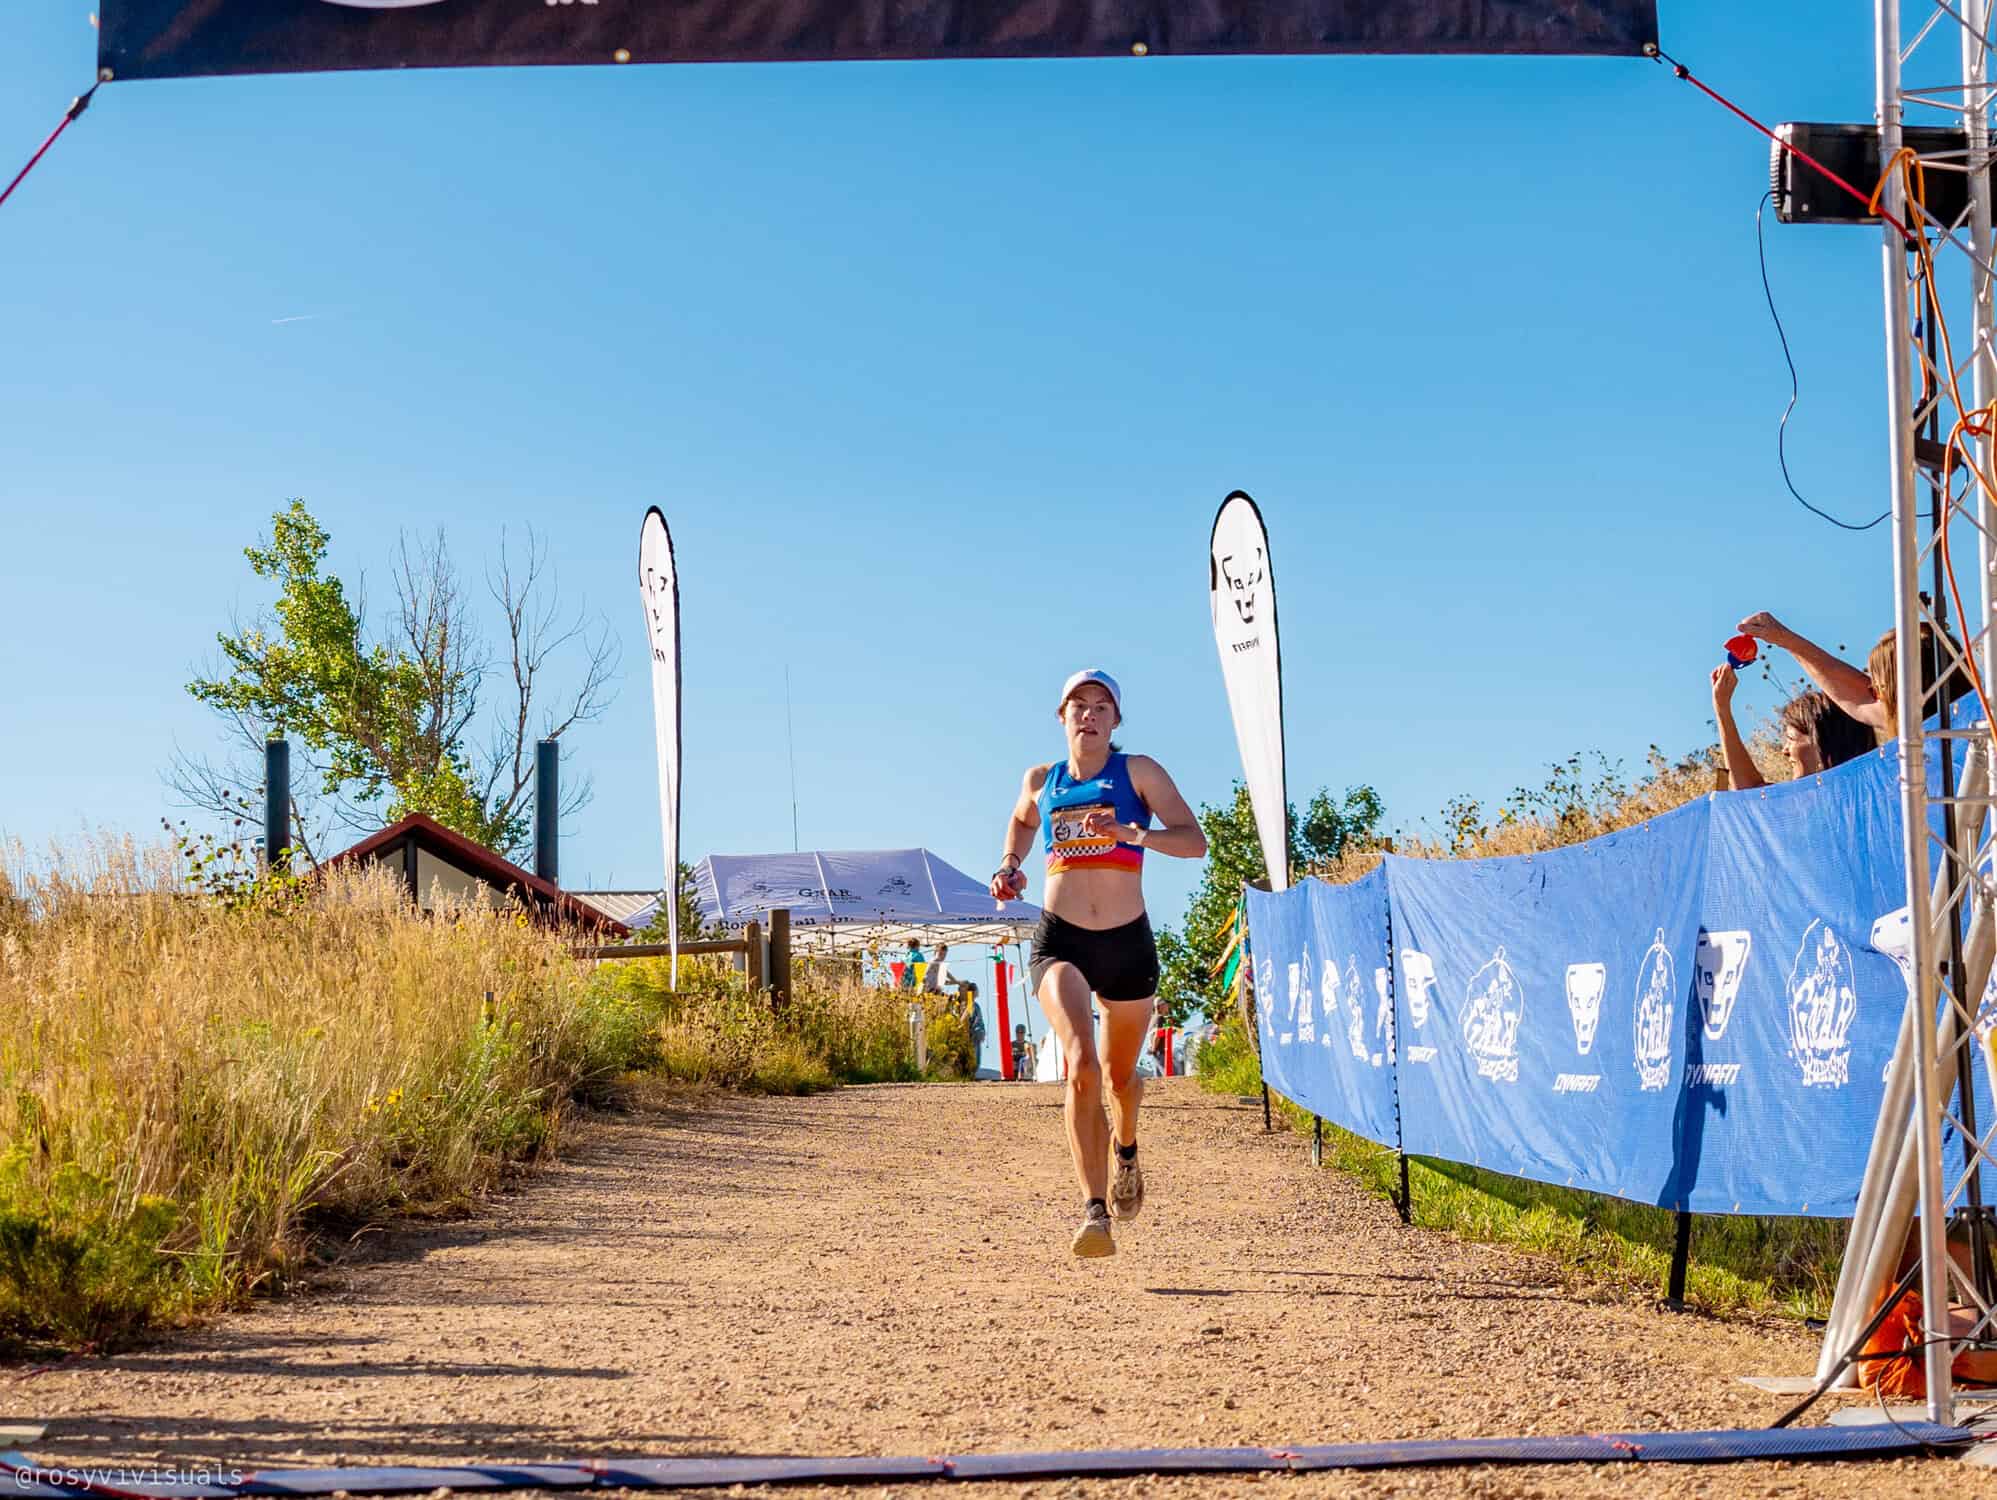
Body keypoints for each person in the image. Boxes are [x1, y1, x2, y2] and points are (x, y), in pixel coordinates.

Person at [990, 668, 1207, 1257]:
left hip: (1126, 943)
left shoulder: (1139, 772)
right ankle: (1093, 1211)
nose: (1088, 714)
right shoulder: (1043, 779)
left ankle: (1126, 1150)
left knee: (1119, 1079)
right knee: (1081, 1064)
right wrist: (1010, 865)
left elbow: (1194, 841)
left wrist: (1134, 834)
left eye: (1100, 706)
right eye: (1078, 706)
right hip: (1061, 940)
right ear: (1062, 717)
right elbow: (1023, 819)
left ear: (1115, 720)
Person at [1734, 610, 1969, 738]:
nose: (1872, 690)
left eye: (1881, 684)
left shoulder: (1977, 721)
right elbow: (1852, 693)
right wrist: (1783, 639)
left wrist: (1785, 639)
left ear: (1908, 686)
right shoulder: (1908, 720)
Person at [1710, 668, 1877, 790]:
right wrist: (1722, 707)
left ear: (1822, 743)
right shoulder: (1797, 802)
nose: (1784, 751)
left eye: (1791, 739)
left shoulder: (1876, 801)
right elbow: (1749, 790)